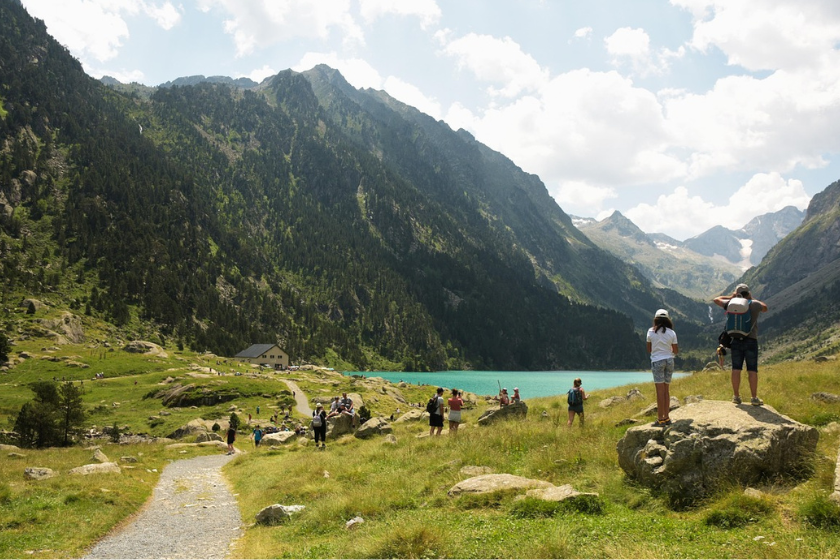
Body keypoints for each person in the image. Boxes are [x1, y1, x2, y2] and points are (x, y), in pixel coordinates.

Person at [714, 283, 768, 406]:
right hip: (751, 340)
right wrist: (750, 298)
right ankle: (754, 398)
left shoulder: (731, 303)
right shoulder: (754, 304)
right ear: (748, 293)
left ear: (737, 293)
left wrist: (733, 296)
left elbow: (716, 299)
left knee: (736, 369)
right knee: (752, 370)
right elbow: (765, 307)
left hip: (736, 340)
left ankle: (736, 396)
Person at [646, 309, 679, 427]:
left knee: (659, 391)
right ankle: (667, 417)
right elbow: (675, 350)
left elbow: (649, 349)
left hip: (657, 361)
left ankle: (660, 419)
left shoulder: (651, 332)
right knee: (666, 390)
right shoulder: (672, 333)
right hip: (669, 361)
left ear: (655, 319)